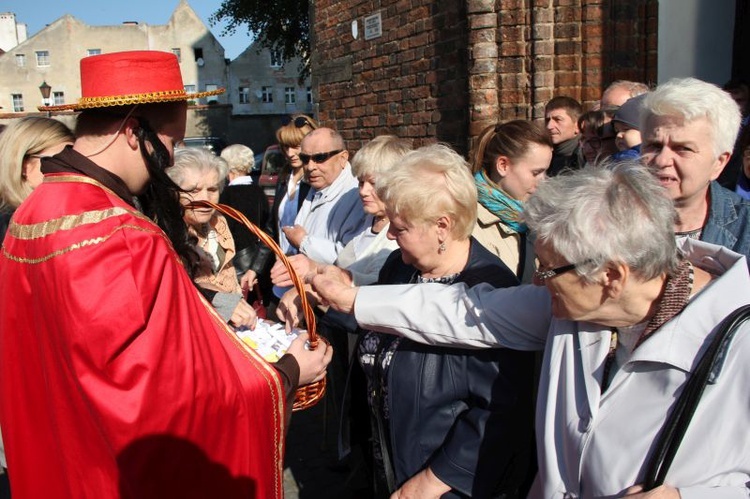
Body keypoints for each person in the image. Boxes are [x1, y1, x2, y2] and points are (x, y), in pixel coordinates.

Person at [308, 161, 750, 498]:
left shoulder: (738, 337)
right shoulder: (570, 305)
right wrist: (353, 300)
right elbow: (465, 310)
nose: (536, 281)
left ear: (611, 276)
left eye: (550, 269)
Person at [0, 50, 331, 498]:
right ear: (135, 131)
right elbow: (175, 403)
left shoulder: (31, 216)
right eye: (173, 142)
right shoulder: (124, 235)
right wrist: (289, 372)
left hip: (65, 465)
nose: (172, 155)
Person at [307, 144, 535, 498]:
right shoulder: (401, 265)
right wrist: (318, 298)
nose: (391, 237)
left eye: (400, 228)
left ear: (441, 226)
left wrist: (434, 480)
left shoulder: (492, 289)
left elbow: (500, 414)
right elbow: (379, 323)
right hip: (385, 465)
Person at [640, 77, 750, 258]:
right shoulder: (606, 220)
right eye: (654, 146)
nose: (662, 160)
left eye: (683, 148)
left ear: (719, 162)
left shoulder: (744, 228)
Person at [470, 120, 552, 282]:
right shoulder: (466, 222)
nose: (543, 181)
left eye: (545, 172)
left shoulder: (536, 220)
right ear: (503, 165)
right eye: (536, 173)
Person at [283, 127, 367, 264]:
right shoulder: (315, 187)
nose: (310, 167)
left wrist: (304, 242)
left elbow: (352, 259)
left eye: (319, 158)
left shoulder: (359, 197)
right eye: (304, 158)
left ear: (343, 158)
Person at [0, 117, 74, 240]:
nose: (72, 170)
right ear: (24, 165)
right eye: (58, 161)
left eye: (74, 160)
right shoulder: (9, 227)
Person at [218, 144, 273, 295]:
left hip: (235, 264)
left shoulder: (225, 196)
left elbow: (223, 232)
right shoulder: (259, 192)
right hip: (259, 263)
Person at [271, 114, 317, 255]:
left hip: (307, 264)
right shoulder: (285, 178)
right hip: (283, 263)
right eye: (286, 147)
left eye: (296, 146)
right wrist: (255, 268)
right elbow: (272, 228)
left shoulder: (315, 182)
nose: (290, 153)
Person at [544, 96, 583, 176]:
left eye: (558, 119)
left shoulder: (587, 158)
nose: (549, 126)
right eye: (547, 120)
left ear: (577, 126)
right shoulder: (543, 156)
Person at [611, 94, 646, 161]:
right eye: (617, 131)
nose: (619, 135)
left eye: (626, 129)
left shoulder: (643, 160)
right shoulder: (620, 157)